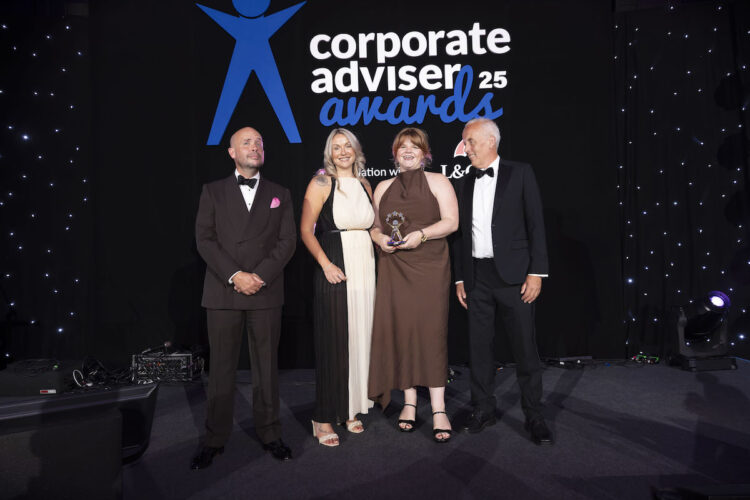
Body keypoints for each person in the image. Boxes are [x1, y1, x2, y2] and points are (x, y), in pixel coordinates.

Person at [192, 126, 296, 469]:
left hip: (266, 291)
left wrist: (259, 277)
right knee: (221, 370)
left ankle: (270, 433)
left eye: (259, 143)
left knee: (266, 368)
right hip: (224, 291)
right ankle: (214, 438)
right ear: (232, 152)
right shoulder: (212, 191)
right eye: (247, 142)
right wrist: (236, 276)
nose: (254, 147)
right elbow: (205, 240)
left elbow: (287, 242)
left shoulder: (280, 193)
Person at [452, 118, 552, 445]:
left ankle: (534, 414)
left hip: (515, 276)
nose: (465, 148)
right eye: (465, 142)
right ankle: (483, 409)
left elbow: (536, 224)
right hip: (477, 277)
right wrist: (460, 277)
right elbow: (460, 235)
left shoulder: (520, 173)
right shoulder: (464, 181)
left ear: (490, 141)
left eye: (470, 141)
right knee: (479, 348)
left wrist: (537, 272)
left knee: (525, 347)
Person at [368, 127, 458, 443]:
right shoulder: (382, 187)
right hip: (394, 267)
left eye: (415, 146)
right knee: (402, 331)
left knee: (432, 333)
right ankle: (408, 402)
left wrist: (422, 234)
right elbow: (374, 227)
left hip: (430, 266)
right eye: (402, 146)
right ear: (394, 154)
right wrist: (380, 238)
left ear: (425, 153)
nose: (408, 150)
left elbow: (452, 222)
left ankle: (439, 408)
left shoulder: (439, 181)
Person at [300, 128, 376, 447]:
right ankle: (323, 417)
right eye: (336, 147)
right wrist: (326, 264)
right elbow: (306, 230)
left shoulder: (365, 184)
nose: (343, 152)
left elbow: (373, 228)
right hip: (335, 263)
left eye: (348, 146)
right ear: (329, 153)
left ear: (356, 150)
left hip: (365, 266)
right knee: (334, 341)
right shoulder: (321, 183)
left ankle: (349, 409)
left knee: (359, 338)